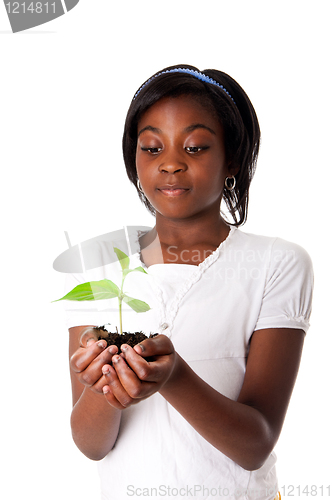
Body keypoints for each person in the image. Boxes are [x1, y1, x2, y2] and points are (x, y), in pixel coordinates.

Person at [65, 65, 313, 500]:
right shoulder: (99, 264)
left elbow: (256, 444)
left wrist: (174, 375)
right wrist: (105, 385)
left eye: (196, 146)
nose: (171, 163)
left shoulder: (276, 262)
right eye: (151, 147)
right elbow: (91, 445)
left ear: (231, 158)